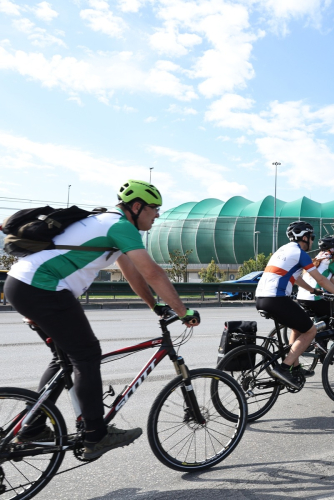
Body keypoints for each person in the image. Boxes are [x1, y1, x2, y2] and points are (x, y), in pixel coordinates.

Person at [5, 180, 201, 459]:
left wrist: (154, 305)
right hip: (42, 287)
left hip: (23, 284)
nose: (157, 214)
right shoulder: (119, 226)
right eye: (154, 208)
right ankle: (96, 434)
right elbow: (152, 272)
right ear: (136, 207)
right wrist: (184, 312)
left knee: (64, 358)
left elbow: (132, 273)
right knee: (87, 354)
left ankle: (33, 427)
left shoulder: (106, 222)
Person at [255, 221, 334, 390]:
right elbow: (321, 279)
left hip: (261, 298)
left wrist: (312, 291)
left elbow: (297, 278)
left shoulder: (283, 250)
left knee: (297, 328)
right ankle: (284, 368)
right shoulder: (300, 253)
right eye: (312, 238)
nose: (313, 241)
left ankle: (295, 367)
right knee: (311, 330)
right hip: (277, 298)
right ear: (305, 237)